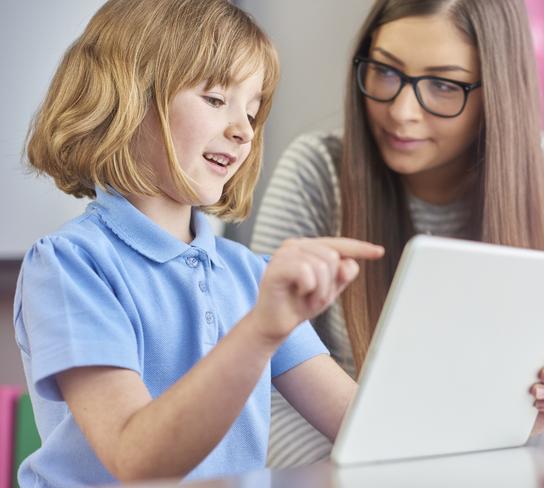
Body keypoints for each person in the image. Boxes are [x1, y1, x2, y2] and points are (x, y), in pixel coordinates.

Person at [13, 1, 385, 486]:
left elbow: (368, 430)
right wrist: (259, 332)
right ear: (130, 96)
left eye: (252, 111)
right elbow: (136, 458)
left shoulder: (251, 275)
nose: (243, 130)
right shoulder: (70, 265)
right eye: (215, 99)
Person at [251, 0, 544, 467]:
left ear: (498, 91)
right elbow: (259, 378)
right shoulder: (317, 170)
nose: (402, 112)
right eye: (385, 72)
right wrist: (370, 470)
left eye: (444, 85)